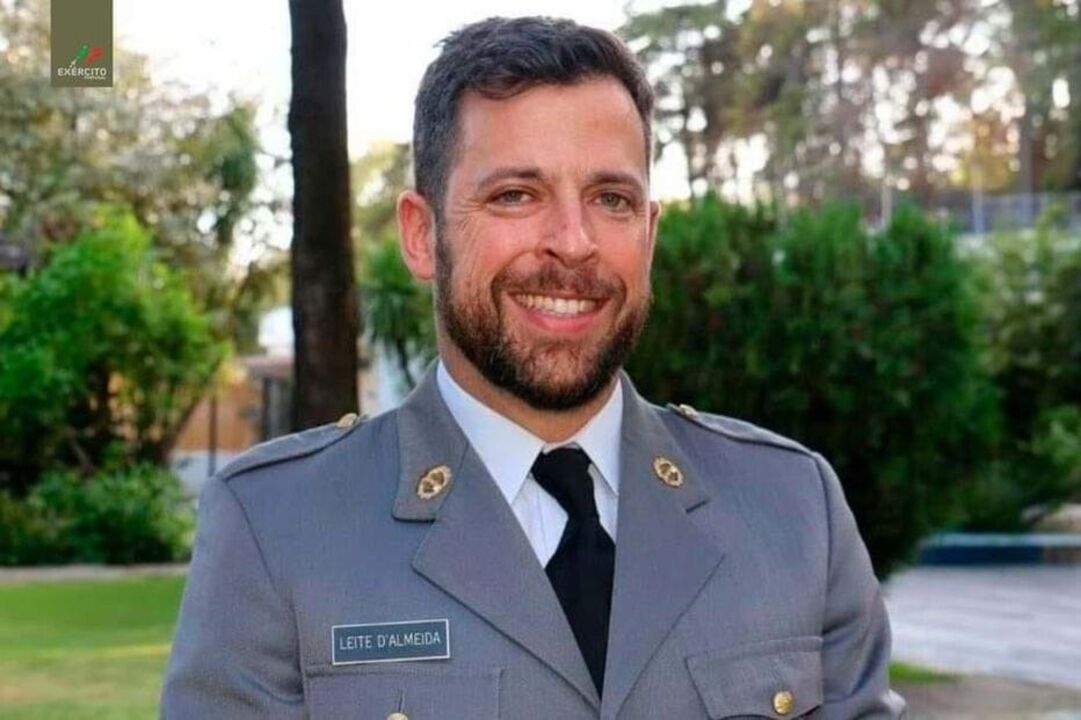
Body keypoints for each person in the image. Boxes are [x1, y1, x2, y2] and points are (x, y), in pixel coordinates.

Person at [162, 16, 906, 719]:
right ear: (421, 235)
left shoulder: (791, 507)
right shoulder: (278, 528)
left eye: (611, 198)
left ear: (648, 235)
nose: (573, 242)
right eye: (516, 195)